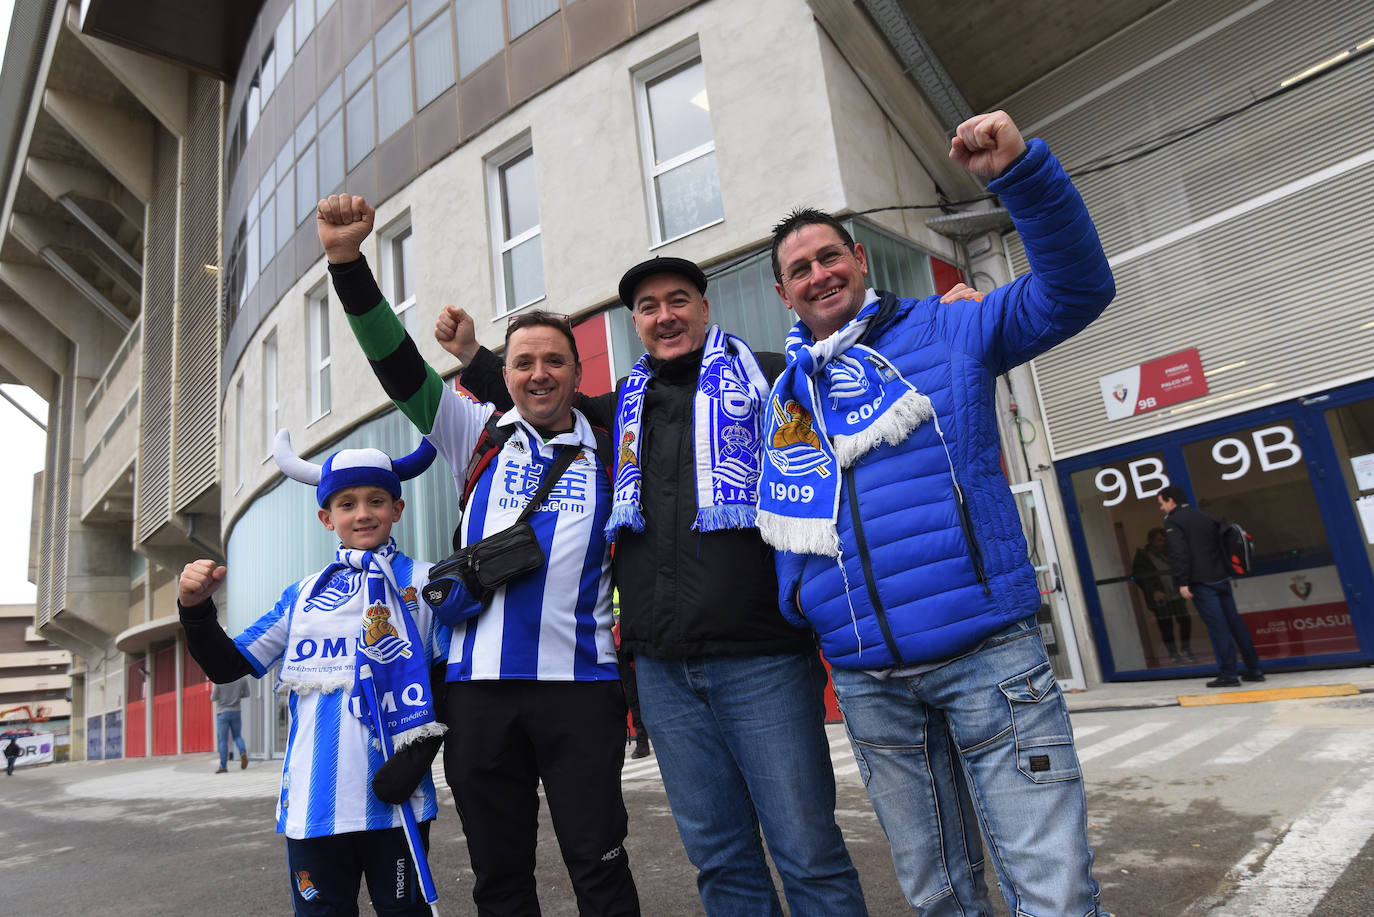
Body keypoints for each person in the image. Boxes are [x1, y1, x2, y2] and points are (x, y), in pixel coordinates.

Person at [756, 110, 1111, 916]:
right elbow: (791, 521)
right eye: (799, 269)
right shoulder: (788, 398)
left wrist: (1020, 176)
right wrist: (807, 606)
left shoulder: (949, 325)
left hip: (989, 659)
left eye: (829, 256)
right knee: (938, 898)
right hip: (870, 682)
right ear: (783, 293)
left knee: (1053, 893)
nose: (818, 274)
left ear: (859, 260)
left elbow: (1077, 289)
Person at [438, 264, 868, 917]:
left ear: (704, 307)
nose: (664, 315)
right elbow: (537, 389)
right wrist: (474, 355)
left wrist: (921, 325)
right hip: (665, 673)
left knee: (807, 852)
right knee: (721, 859)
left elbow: (854, 385)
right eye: (647, 306)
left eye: (678, 300)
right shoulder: (618, 413)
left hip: (764, 660)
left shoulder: (769, 377)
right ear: (634, 323)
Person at [317, 194, 640, 917]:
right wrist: (347, 263)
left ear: (577, 371)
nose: (538, 373)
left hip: (582, 691)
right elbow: (398, 367)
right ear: (506, 373)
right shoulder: (476, 434)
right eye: (523, 362)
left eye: (554, 360)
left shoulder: (612, 446)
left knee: (600, 868)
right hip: (478, 696)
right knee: (499, 878)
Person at [177, 434, 444, 916]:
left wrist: (419, 755)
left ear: (397, 509)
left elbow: (451, 684)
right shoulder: (302, 595)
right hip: (313, 805)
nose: (362, 514)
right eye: (347, 504)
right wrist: (195, 612)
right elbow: (229, 666)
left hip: (396, 802)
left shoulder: (427, 583)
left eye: (376, 500)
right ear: (327, 518)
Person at [1157, 485, 1264, 688]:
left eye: (1162, 503)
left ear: (1171, 501)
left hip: (1202, 583)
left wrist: (1182, 582)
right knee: (1235, 623)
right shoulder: (1204, 516)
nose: (1161, 508)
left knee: (1219, 628)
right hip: (1221, 578)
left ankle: (1229, 675)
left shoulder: (1173, 521)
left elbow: (1179, 553)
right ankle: (1254, 670)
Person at [1132, 528, 1195, 664]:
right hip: (1160, 597)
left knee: (1185, 620)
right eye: (1159, 540)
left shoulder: (1170, 553)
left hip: (1176, 594)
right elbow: (1140, 577)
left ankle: (1186, 648)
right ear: (1151, 541)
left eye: (1164, 540)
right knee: (1166, 626)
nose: (1162, 543)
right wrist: (1153, 591)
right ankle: (1173, 654)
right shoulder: (1143, 557)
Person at [211, 674, 251, 773]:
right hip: (236, 711)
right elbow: (247, 694)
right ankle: (242, 752)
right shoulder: (241, 679)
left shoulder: (218, 679)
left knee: (223, 741)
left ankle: (223, 767)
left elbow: (213, 697)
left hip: (223, 713)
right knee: (237, 736)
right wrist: (237, 696)